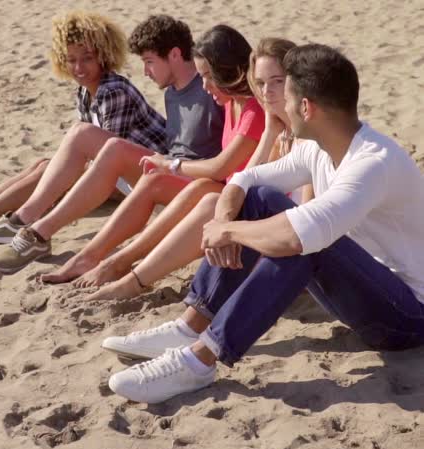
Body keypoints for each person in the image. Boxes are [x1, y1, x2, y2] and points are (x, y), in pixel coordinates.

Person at [105, 43, 424, 404]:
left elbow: (294, 236)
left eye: (286, 97)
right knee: (261, 202)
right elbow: (246, 181)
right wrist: (224, 217)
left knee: (303, 239)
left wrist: (226, 231)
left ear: (306, 107)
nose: (280, 107)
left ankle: (199, 360)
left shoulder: (372, 162)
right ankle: (188, 327)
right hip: (360, 291)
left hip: (406, 317)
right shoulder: (320, 146)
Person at [0, 15, 224, 273]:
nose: (145, 72)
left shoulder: (210, 90)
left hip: (191, 183)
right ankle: (15, 222)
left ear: (174, 55)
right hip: (165, 173)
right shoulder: (173, 92)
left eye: (149, 62)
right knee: (66, 148)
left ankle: (35, 229)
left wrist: (173, 165)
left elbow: (229, 157)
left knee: (99, 143)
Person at [81, 37, 314, 300]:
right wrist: (271, 132)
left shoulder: (308, 138)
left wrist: (227, 225)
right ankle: (125, 269)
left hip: (297, 250)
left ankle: (130, 275)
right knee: (206, 199)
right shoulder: (278, 132)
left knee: (208, 200)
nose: (267, 91)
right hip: (270, 234)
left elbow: (307, 225)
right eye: (260, 83)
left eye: (277, 81)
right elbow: (246, 180)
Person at [36, 24, 265, 285]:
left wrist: (171, 164)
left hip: (230, 193)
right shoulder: (229, 102)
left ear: (228, 71)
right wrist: (168, 165)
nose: (205, 85)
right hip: (215, 186)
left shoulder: (250, 109)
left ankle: (120, 264)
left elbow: (220, 168)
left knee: (159, 173)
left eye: (209, 77)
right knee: (153, 179)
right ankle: (91, 257)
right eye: (202, 77)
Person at [0, 11, 167, 229]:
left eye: (87, 59)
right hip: (124, 175)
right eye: (71, 60)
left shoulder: (113, 91)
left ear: (103, 56)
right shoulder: (85, 92)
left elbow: (109, 159)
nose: (79, 68)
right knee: (42, 165)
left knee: (48, 171)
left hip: (145, 174)